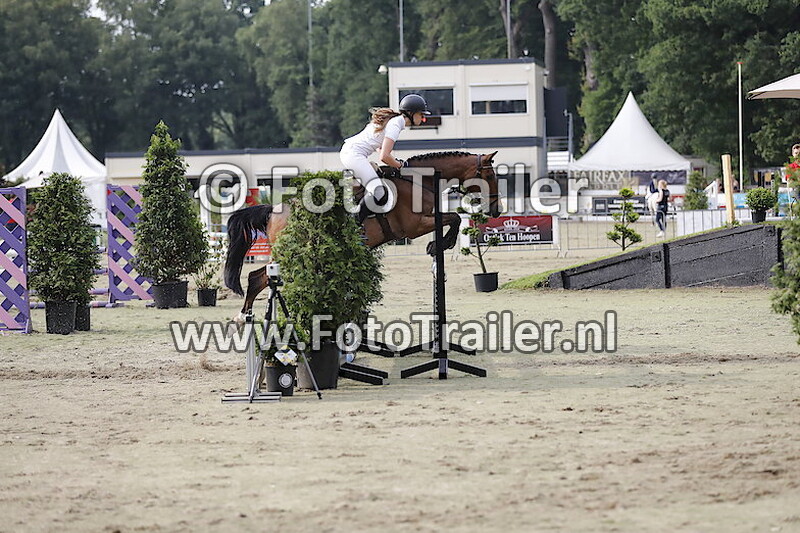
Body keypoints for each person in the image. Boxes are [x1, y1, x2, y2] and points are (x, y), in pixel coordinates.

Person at [339, 94, 430, 224]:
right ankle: (354, 226)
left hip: (353, 153)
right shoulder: (395, 125)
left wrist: (397, 163)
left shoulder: (395, 122)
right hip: (353, 154)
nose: (423, 118)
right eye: (421, 114)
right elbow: (384, 157)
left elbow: (379, 149)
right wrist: (400, 166)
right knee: (378, 191)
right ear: (411, 113)